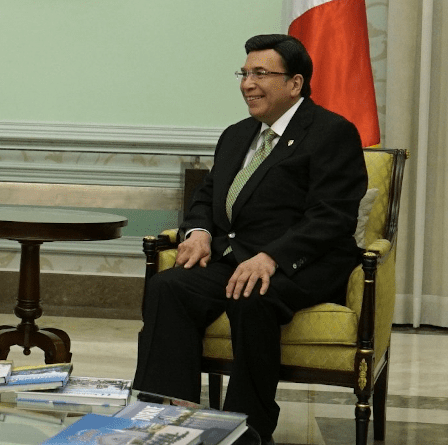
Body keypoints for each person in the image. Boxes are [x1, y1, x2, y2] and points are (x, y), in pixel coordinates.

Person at [133, 34, 368, 444]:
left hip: (304, 262)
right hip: (234, 256)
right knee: (169, 286)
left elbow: (331, 217)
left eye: (261, 73)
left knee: (251, 293)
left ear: (295, 83)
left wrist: (271, 257)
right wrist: (201, 232)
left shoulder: (332, 132)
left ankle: (246, 428)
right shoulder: (238, 134)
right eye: (245, 73)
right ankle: (166, 416)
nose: (247, 83)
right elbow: (206, 196)